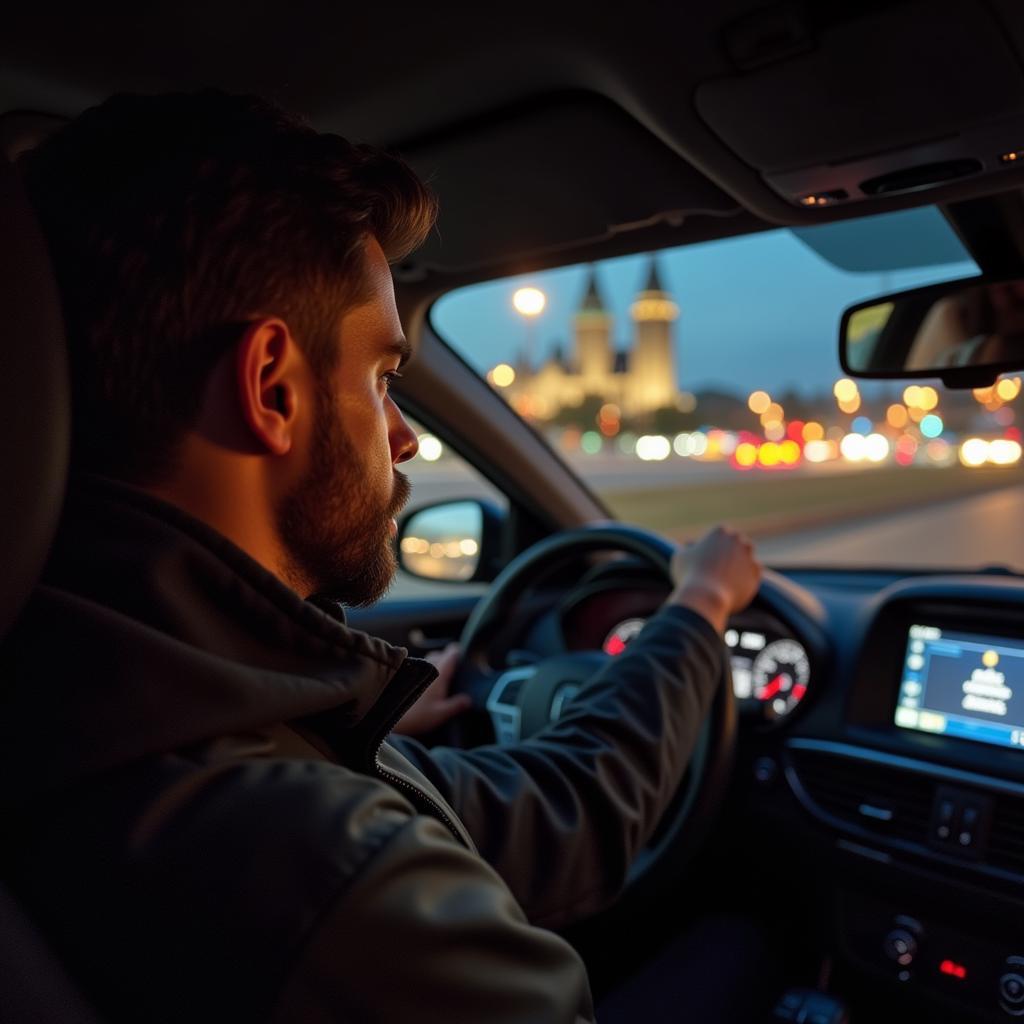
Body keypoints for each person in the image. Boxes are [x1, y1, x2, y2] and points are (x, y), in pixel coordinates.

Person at [0, 91, 761, 1023]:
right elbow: (575, 819)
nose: (404, 438)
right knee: (749, 952)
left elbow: (558, 811)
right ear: (271, 386)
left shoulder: (79, 686)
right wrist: (697, 610)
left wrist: (375, 742)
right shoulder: (333, 878)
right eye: (384, 378)